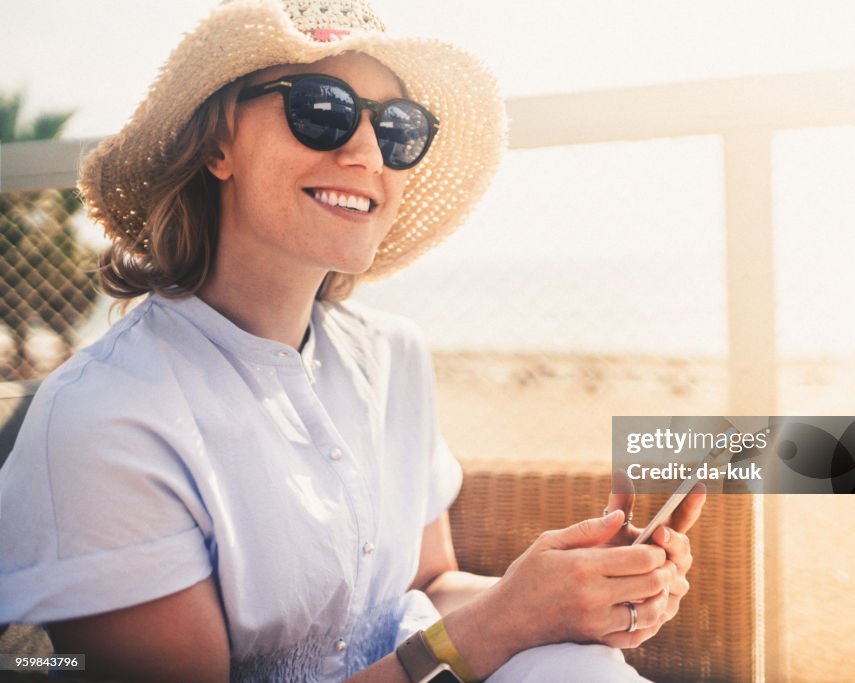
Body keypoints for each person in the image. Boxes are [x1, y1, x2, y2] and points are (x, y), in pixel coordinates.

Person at [0, 1, 706, 681]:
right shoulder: (104, 422)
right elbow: (464, 638)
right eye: (322, 110)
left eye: (399, 129)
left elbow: (429, 583)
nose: (368, 151)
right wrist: (497, 627)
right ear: (218, 143)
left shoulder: (394, 357)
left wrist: (566, 595)